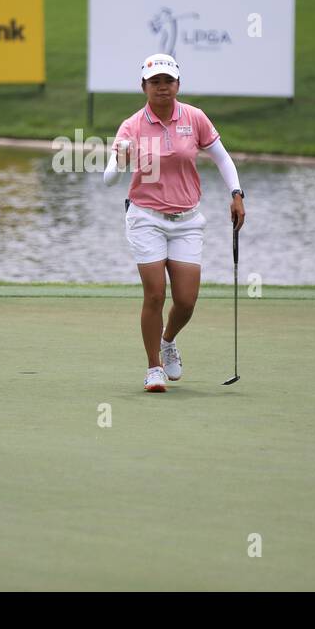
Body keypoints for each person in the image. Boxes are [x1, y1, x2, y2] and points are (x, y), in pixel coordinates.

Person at [104, 53, 246, 392]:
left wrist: (237, 193)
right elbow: (109, 178)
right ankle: (153, 367)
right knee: (155, 295)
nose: (162, 87)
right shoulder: (132, 125)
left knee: (185, 300)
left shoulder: (194, 118)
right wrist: (121, 158)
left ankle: (168, 341)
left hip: (187, 219)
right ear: (144, 87)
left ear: (178, 84)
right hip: (145, 217)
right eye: (155, 82)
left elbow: (222, 158)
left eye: (168, 81)